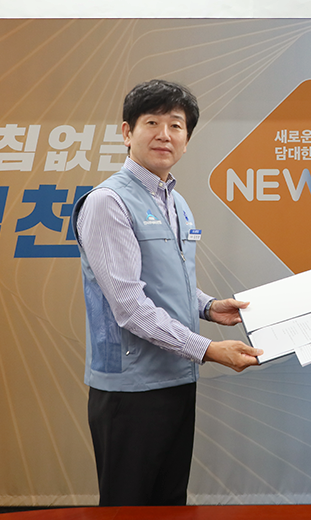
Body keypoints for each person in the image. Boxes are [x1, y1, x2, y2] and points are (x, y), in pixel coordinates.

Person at [72, 79, 263, 506]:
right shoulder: (108, 202)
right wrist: (208, 349)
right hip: (130, 390)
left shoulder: (176, 203)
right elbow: (130, 306)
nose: (165, 134)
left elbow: (168, 281)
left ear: (187, 139)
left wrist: (209, 307)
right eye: (152, 123)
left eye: (176, 125)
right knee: (129, 507)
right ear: (127, 132)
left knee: (169, 503)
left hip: (176, 377)